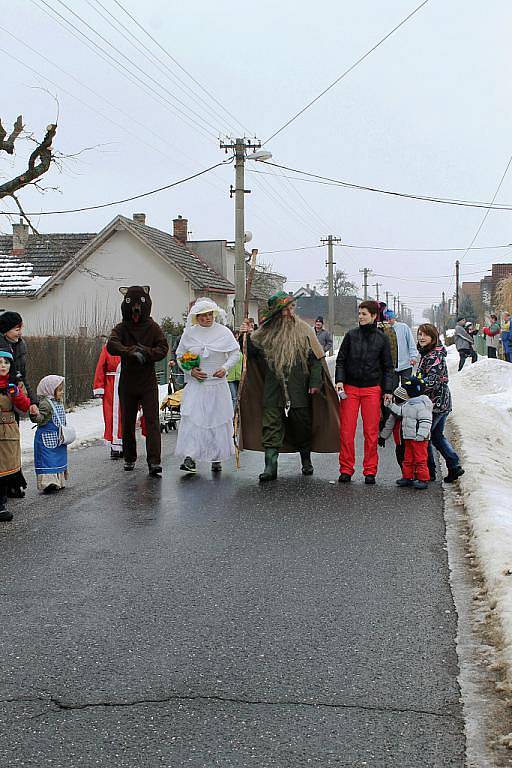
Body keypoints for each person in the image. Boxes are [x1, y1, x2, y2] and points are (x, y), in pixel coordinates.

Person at [239, 291, 339, 482]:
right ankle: (270, 466)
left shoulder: (304, 330)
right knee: (271, 425)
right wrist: (244, 335)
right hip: (272, 387)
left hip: (298, 386)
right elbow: (250, 353)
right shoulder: (264, 333)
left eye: (290, 308)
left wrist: (315, 382)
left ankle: (306, 459)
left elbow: (316, 358)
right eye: (283, 309)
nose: (288, 312)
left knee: (301, 424)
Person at [107, 286, 169, 476]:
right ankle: (129, 456)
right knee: (127, 421)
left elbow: (163, 348)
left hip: (148, 382)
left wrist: (146, 352)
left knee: (151, 421)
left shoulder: (152, 327)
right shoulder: (122, 327)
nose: (135, 311)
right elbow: (112, 344)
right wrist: (130, 351)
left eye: (139, 306)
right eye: (132, 306)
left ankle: (154, 461)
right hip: (128, 382)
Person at [175, 298, 240, 474]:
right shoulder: (189, 334)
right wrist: (190, 371)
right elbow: (180, 355)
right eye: (203, 316)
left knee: (216, 421)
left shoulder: (224, 332)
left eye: (210, 314)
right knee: (194, 420)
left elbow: (235, 353)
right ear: (197, 317)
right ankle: (190, 457)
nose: (207, 318)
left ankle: (216, 457)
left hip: (217, 384)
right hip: (197, 385)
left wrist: (225, 368)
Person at [335, 300, 394, 484]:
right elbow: (341, 360)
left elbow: (388, 367)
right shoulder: (351, 336)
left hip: (371, 389)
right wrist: (339, 380)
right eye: (359, 313)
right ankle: (346, 469)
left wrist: (388, 390)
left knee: (370, 432)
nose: (360, 317)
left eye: (364, 314)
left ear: (374, 316)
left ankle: (370, 470)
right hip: (350, 389)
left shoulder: (382, 338)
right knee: (346, 431)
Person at [416, 323, 464, 483]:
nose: (421, 338)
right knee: (437, 436)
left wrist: (415, 385)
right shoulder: (428, 354)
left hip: (436, 403)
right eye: (420, 334)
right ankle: (454, 465)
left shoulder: (433, 356)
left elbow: (433, 381)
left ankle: (429, 471)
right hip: (439, 402)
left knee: (425, 436)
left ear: (433, 337)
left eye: (425, 335)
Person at [0, 350, 31, 520]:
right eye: (0, 362)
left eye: (6, 362)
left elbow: (24, 408)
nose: (3, 366)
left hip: (8, 432)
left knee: (5, 472)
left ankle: (1, 504)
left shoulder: (15, 384)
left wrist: (17, 395)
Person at [389, 375, 433, 490]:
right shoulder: (408, 404)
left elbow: (426, 421)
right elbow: (401, 411)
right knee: (407, 458)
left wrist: (421, 435)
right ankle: (407, 476)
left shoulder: (422, 406)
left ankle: (423, 478)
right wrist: (390, 405)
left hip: (419, 438)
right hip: (408, 437)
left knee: (420, 459)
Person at [31, 375, 70, 494]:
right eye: (59, 390)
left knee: (57, 459)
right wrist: (35, 415)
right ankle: (48, 482)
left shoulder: (57, 402)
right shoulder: (46, 404)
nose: (62, 392)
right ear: (49, 390)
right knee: (48, 460)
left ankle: (58, 480)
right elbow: (40, 418)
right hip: (46, 439)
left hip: (58, 438)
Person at [0, 311, 39, 418]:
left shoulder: (19, 347)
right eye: (17, 330)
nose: (20, 333)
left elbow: (22, 377)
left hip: (13, 399)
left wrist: (33, 402)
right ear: (5, 331)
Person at [93, 344, 123, 459]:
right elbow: (100, 367)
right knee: (111, 416)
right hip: (111, 385)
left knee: (126, 415)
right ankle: (114, 446)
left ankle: (125, 444)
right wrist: (99, 386)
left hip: (127, 384)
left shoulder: (132, 345)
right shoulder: (108, 348)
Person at [383, 310, 418, 385]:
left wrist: (413, 357)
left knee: (406, 389)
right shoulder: (383, 330)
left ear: (394, 318)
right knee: (392, 389)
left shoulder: (403, 327)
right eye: (386, 319)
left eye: (390, 318)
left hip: (406, 365)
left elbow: (411, 343)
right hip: (391, 367)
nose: (388, 321)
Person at [227, 332, 243, 407]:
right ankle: (233, 416)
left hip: (239, 376)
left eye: (237, 337)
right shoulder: (227, 348)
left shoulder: (241, 347)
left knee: (239, 398)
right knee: (234, 398)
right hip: (230, 377)